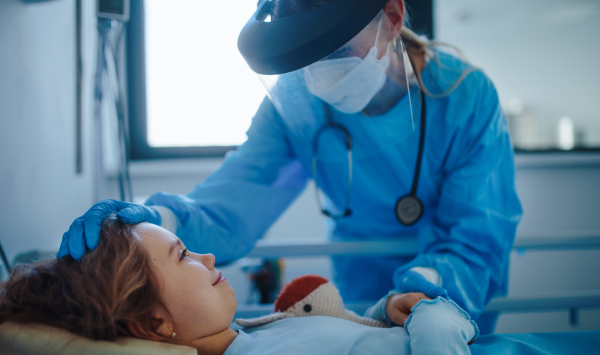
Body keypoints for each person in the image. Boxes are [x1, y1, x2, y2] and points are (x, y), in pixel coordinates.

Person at [57, 0, 523, 333]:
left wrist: (424, 293)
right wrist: (159, 220)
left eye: (337, 52)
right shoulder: (297, 105)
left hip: (450, 288)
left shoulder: (464, 97)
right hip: (360, 280)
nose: (319, 74)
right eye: (306, 61)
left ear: (393, 17)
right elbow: (239, 196)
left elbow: (476, 234)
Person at [2, 216, 599, 355]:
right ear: (155, 323)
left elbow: (349, 351)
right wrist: (435, 323)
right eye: (184, 254)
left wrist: (389, 306)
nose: (209, 252)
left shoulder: (253, 342)